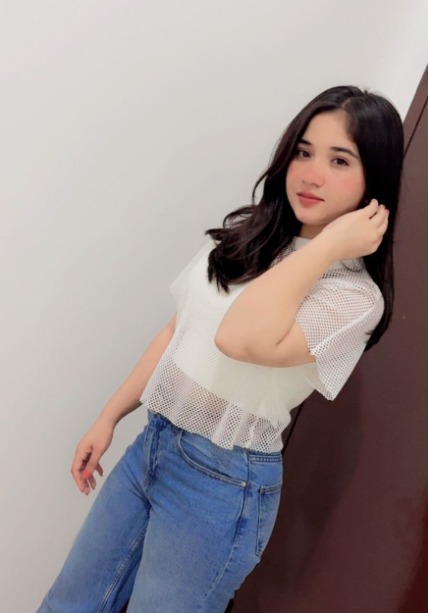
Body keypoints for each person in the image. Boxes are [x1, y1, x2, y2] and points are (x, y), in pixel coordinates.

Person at [37, 85, 404, 612]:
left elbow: (239, 338)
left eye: (339, 160)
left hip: (222, 485)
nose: (311, 174)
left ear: (375, 180)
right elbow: (177, 332)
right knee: (68, 605)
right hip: (154, 443)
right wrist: (109, 417)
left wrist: (326, 246)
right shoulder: (247, 234)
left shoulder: (353, 297)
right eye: (303, 152)